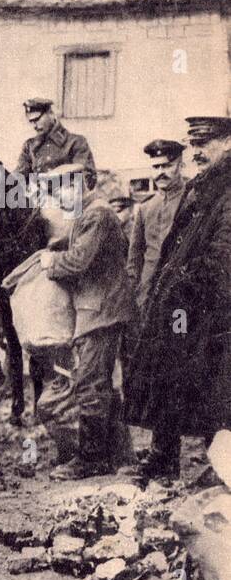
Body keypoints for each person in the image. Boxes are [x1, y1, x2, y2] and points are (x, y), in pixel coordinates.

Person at [126, 116, 231, 483]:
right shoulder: (204, 187)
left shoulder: (226, 190)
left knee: (215, 389)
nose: (198, 152)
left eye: (206, 144)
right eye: (195, 145)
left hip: (214, 313)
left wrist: (183, 287)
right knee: (171, 376)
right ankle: (162, 459)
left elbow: (223, 255)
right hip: (182, 306)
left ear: (228, 143)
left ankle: (220, 469)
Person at [39, 165, 134, 479]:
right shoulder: (90, 214)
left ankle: (91, 460)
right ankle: (121, 456)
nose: (61, 196)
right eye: (56, 190)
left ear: (85, 184)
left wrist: (51, 263)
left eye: (66, 188)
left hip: (100, 311)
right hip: (99, 308)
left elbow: (78, 261)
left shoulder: (96, 214)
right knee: (102, 384)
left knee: (90, 384)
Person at [127, 139, 187, 312]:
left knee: (178, 333)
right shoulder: (146, 207)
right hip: (147, 294)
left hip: (179, 293)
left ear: (180, 165)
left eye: (167, 166)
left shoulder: (192, 199)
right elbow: (135, 257)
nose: (161, 173)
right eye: (156, 167)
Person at [15, 97, 96, 192]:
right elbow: (20, 175)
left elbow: (88, 178)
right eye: (31, 122)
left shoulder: (76, 142)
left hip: (68, 201)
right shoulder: (29, 146)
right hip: (37, 201)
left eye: (37, 119)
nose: (34, 126)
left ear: (51, 114)